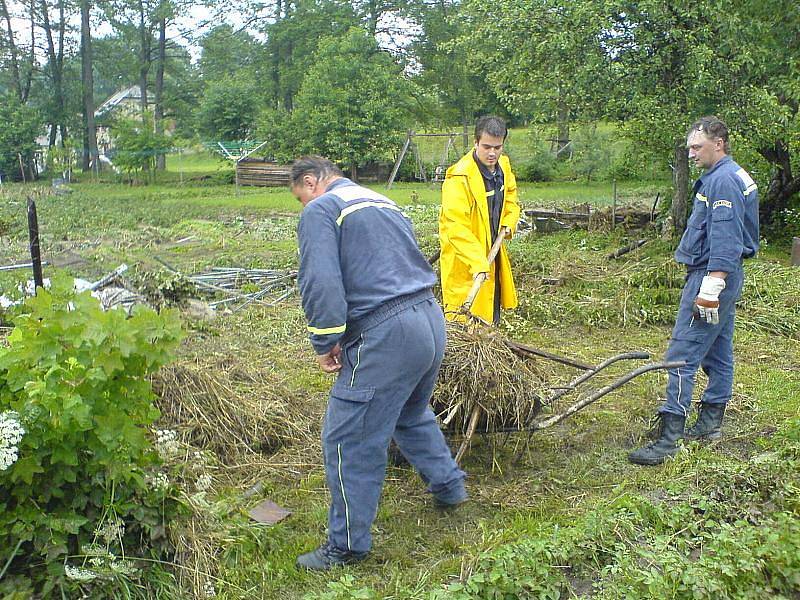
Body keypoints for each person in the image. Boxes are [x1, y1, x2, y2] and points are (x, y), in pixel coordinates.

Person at [291, 156, 467, 570]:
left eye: (301, 197)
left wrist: (325, 340)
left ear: (312, 182)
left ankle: (347, 545)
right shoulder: (381, 200)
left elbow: (320, 278)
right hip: (429, 315)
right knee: (409, 411)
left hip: (387, 332)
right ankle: (449, 487)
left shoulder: (323, 209)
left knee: (347, 438)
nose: (304, 206)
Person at [629, 116, 760, 466]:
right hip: (725, 277)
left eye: (696, 146)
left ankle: (669, 438)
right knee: (718, 351)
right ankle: (709, 424)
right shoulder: (732, 174)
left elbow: (726, 240)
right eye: (689, 147)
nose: (691, 153)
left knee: (681, 353)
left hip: (712, 276)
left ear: (718, 143)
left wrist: (711, 288)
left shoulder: (722, 184)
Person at [439, 116, 521, 325]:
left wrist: (509, 221)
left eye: (497, 147)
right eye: (486, 147)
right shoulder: (459, 178)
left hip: (493, 251)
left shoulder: (503, 167)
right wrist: (478, 262)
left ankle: (490, 343)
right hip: (466, 262)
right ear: (475, 143)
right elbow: (456, 227)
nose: (492, 153)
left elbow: (511, 196)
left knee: (490, 309)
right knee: (464, 319)